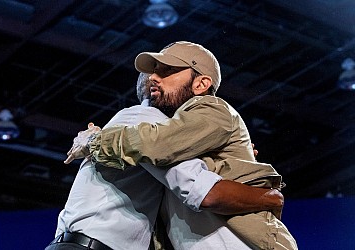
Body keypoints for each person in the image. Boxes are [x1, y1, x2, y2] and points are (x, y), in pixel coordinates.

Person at [69, 41, 297, 249]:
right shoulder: (183, 136)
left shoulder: (213, 108)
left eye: (168, 70)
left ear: (201, 84)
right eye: (154, 71)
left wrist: (95, 141)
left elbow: (158, 144)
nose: (153, 78)